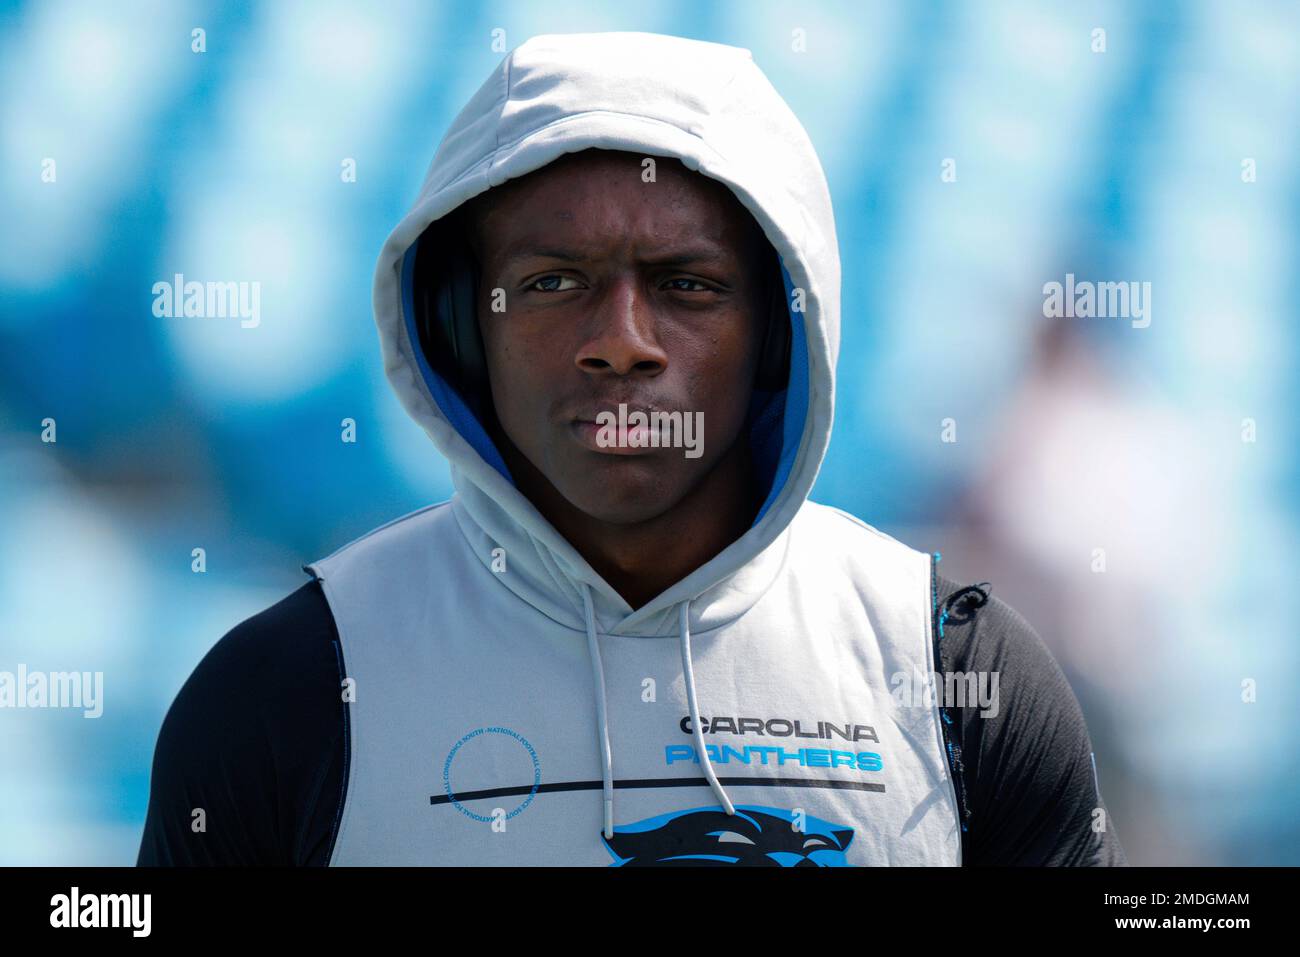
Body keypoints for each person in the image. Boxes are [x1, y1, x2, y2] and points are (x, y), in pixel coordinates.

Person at [137, 30, 1125, 867]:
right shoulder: (292, 686)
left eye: (687, 285)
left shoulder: (958, 676)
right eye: (553, 282)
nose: (622, 342)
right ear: (455, 325)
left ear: (781, 330)